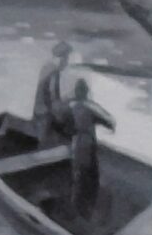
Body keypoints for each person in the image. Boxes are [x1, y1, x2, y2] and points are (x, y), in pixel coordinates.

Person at [58, 77, 115, 217]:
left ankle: (78, 208)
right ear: (86, 92)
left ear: (76, 92)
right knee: (91, 176)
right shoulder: (90, 107)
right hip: (89, 143)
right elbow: (110, 122)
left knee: (79, 176)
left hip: (77, 143)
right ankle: (86, 208)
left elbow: (60, 122)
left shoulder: (69, 106)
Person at [29, 41, 73, 146]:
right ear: (61, 58)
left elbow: (49, 93)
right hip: (45, 114)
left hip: (40, 112)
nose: (67, 62)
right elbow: (51, 96)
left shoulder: (47, 67)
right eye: (66, 58)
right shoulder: (53, 70)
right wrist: (67, 100)